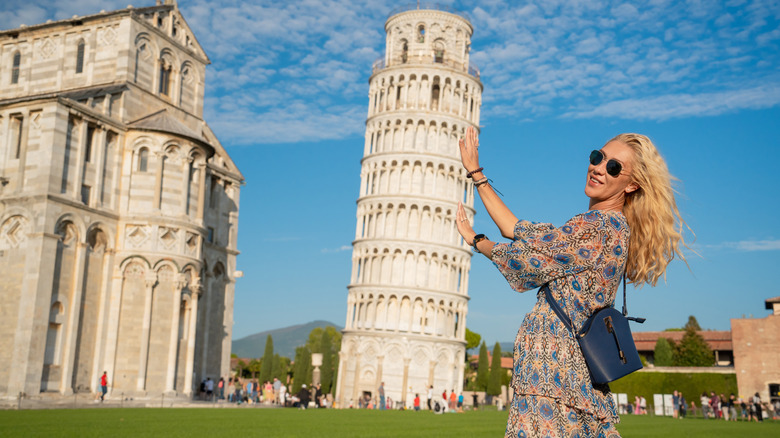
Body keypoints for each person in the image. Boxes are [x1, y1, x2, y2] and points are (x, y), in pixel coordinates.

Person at [455, 128, 688, 437]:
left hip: (552, 372)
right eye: (598, 157)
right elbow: (519, 231)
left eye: (613, 166)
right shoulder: (608, 228)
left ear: (631, 185)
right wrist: (477, 174)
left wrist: (477, 240)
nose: (599, 167)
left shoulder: (598, 227)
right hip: (570, 373)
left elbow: (525, 261)